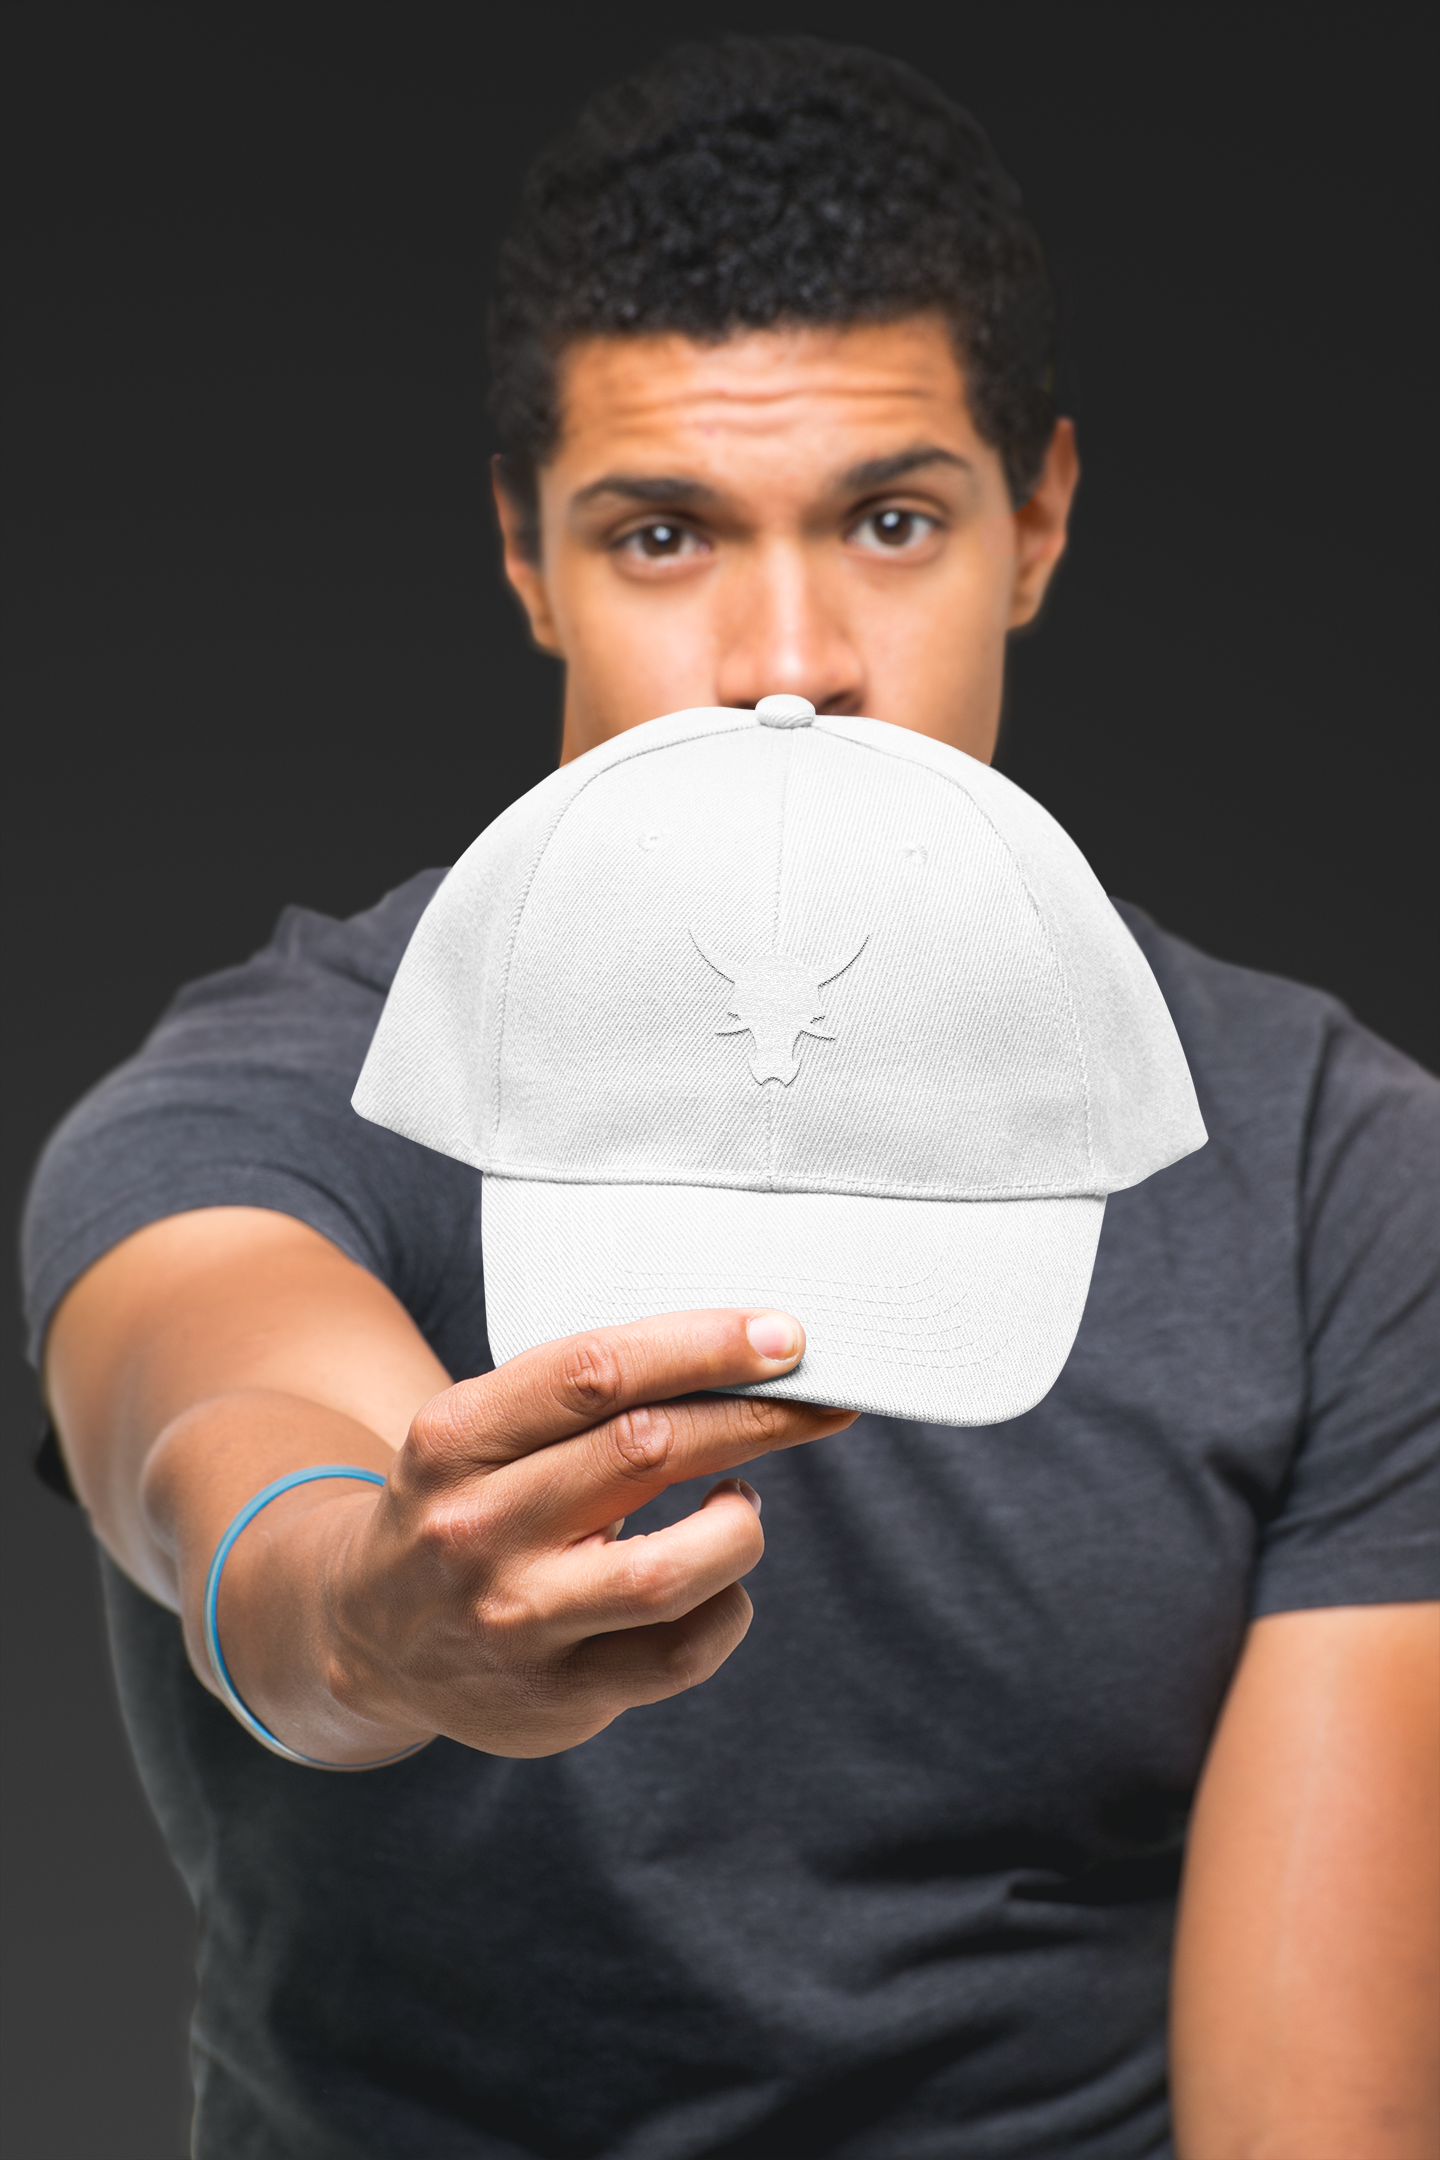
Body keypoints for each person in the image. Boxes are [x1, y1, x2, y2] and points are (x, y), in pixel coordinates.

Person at [22, 35, 1438, 2160]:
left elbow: (1309, 2117)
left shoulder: (1336, 1176)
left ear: (1036, 521)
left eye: (888, 519)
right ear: (525, 555)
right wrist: (378, 1616)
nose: (792, 658)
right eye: (666, 532)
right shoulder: (285, 1081)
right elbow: (204, 1422)